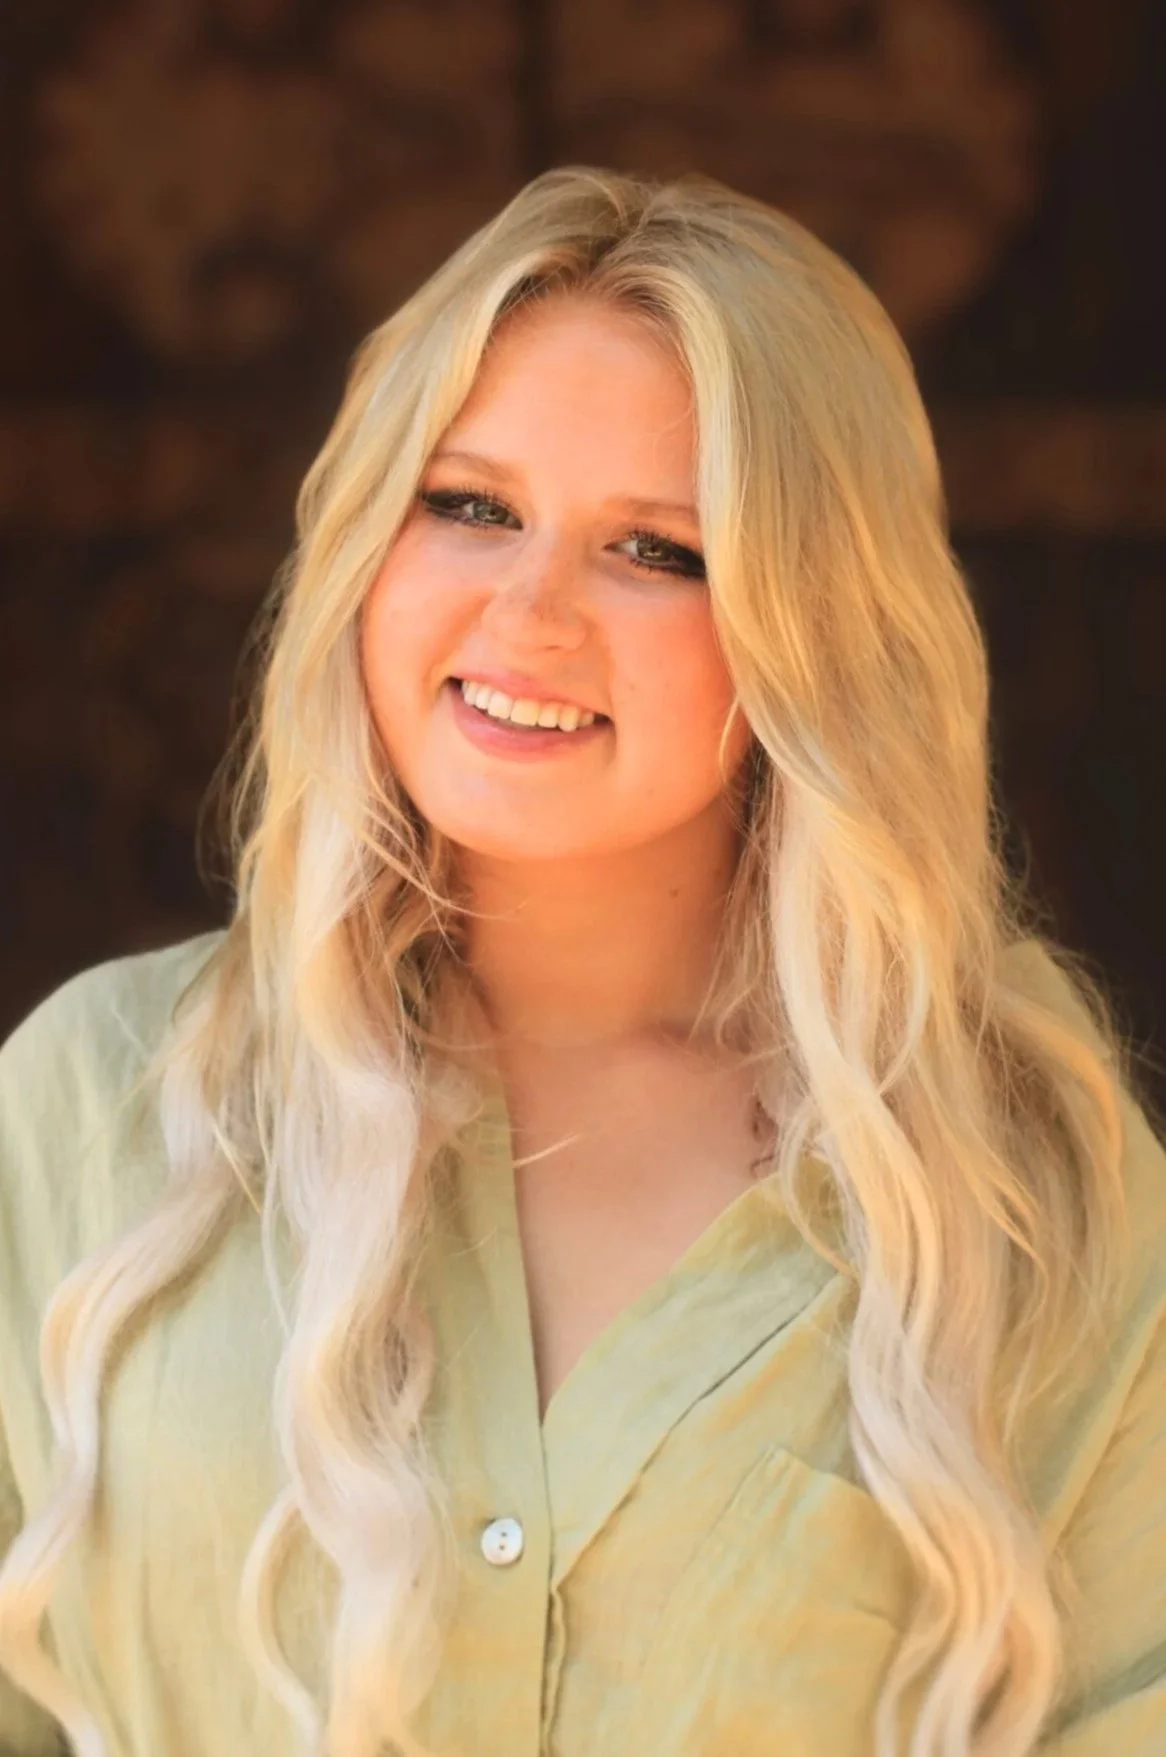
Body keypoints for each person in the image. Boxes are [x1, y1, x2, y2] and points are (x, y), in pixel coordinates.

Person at [0, 166, 1163, 1757]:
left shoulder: (1024, 1182)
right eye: (468, 507)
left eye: (658, 551)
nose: (529, 614)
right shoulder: (86, 1106)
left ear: (813, 627)